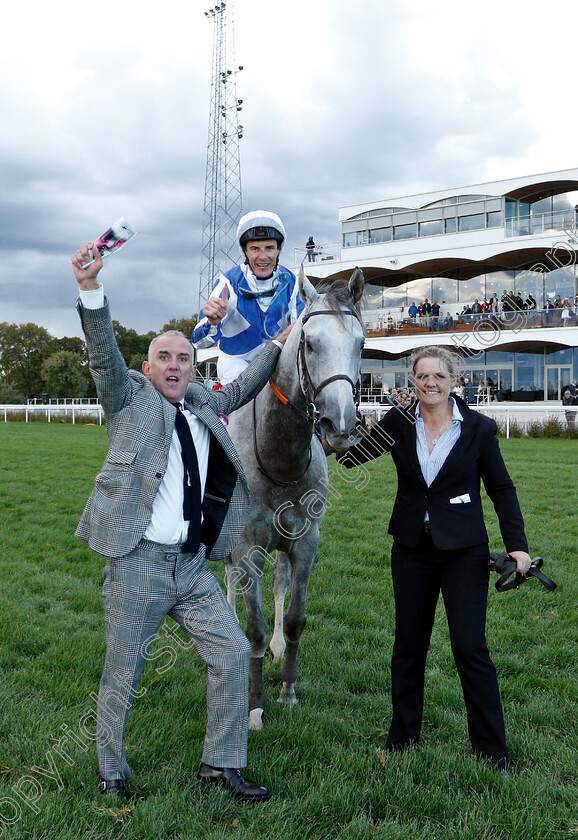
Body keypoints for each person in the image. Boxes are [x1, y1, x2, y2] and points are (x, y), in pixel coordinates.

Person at [71, 241, 293, 803]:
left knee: (231, 654)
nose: (174, 366)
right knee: (122, 672)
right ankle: (112, 769)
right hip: (138, 564)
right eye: (163, 359)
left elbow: (243, 386)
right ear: (147, 368)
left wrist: (279, 341)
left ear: (195, 365)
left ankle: (220, 764)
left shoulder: (204, 404)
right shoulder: (128, 400)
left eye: (183, 358)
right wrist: (91, 289)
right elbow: (102, 355)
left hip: (193, 568)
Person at [337, 346, 532, 772]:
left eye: (439, 376)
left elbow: (502, 489)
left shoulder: (478, 428)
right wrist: (334, 428)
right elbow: (353, 458)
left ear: (454, 381)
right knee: (408, 646)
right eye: (423, 376)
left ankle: (492, 750)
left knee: (469, 647)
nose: (431, 383)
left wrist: (517, 545)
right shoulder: (398, 421)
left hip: (464, 551)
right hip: (411, 549)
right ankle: (403, 738)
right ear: (413, 381)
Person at [193, 211, 304, 385]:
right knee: (239, 381)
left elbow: (303, 337)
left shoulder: (293, 283)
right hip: (237, 364)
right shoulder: (227, 283)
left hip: (280, 364)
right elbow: (199, 343)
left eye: (269, 248)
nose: (263, 257)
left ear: (279, 249)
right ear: (244, 251)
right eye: (255, 249)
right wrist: (212, 322)